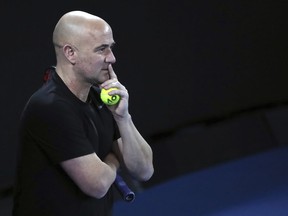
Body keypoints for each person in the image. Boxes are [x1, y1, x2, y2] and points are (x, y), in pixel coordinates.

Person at [13, 10, 154, 216]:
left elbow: (144, 170)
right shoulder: (48, 107)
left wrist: (123, 117)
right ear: (71, 53)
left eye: (111, 48)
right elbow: (97, 185)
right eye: (102, 49)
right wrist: (115, 159)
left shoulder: (100, 97)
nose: (112, 58)